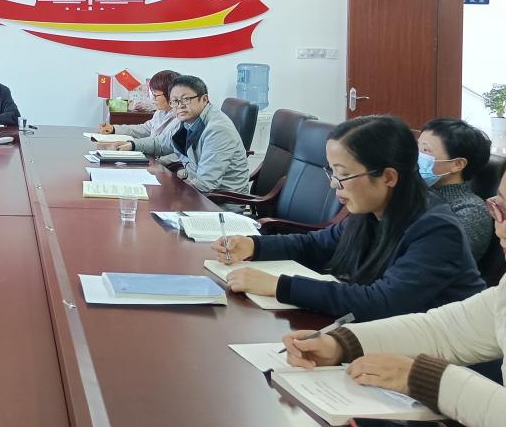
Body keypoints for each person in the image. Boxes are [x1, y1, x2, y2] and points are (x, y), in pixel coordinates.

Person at [280, 168, 506, 427]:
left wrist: (421, 378)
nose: (501, 228)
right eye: (499, 207)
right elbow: (444, 330)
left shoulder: (436, 224)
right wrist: (340, 344)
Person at [210, 115, 485, 322]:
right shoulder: (371, 211)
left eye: (343, 174)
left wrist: (279, 286)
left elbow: (383, 302)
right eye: (332, 172)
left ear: (388, 176)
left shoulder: (437, 229)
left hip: (440, 364)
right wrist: (254, 245)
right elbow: (316, 245)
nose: (334, 184)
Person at [105, 75, 249, 197]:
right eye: (174, 101)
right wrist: (132, 145)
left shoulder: (217, 129)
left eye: (185, 99)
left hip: (219, 203)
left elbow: (206, 184)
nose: (179, 106)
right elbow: (161, 143)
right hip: (194, 191)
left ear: (204, 99)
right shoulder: (189, 120)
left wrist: (172, 195)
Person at [418, 118, 494, 262]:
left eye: (425, 150)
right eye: (417, 148)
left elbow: (432, 261)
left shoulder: (471, 211)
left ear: (458, 164)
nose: (417, 156)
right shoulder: (418, 191)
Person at [96, 69, 179, 139]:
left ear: (170, 94)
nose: (153, 99)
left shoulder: (179, 119)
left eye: (156, 95)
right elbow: (144, 129)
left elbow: (160, 145)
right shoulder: (160, 112)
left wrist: (133, 145)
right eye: (152, 94)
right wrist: (113, 129)